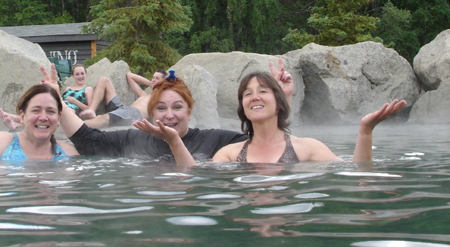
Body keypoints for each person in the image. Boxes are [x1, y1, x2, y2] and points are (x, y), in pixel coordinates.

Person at [134, 71, 407, 166]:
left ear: (278, 103)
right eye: (248, 93)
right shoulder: (229, 154)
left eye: (263, 91)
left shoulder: (307, 148)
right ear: (242, 107)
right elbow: (192, 178)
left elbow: (356, 173)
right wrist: (174, 142)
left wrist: (365, 131)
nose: (255, 97)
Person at [57, 62, 294, 160]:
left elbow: (264, 142)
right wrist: (55, 101)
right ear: (151, 114)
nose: (169, 114)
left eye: (177, 107)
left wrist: (283, 99)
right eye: (161, 108)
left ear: (190, 112)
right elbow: (88, 141)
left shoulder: (214, 140)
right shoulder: (134, 138)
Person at [1, 67, 168, 130]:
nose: (153, 80)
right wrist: (152, 83)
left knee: (102, 121)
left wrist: (160, 85)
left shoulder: (160, 97)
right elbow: (129, 76)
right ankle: (91, 110)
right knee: (104, 80)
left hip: (132, 115)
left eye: (156, 78)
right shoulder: (145, 94)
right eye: (152, 77)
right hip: (122, 108)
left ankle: (20, 121)